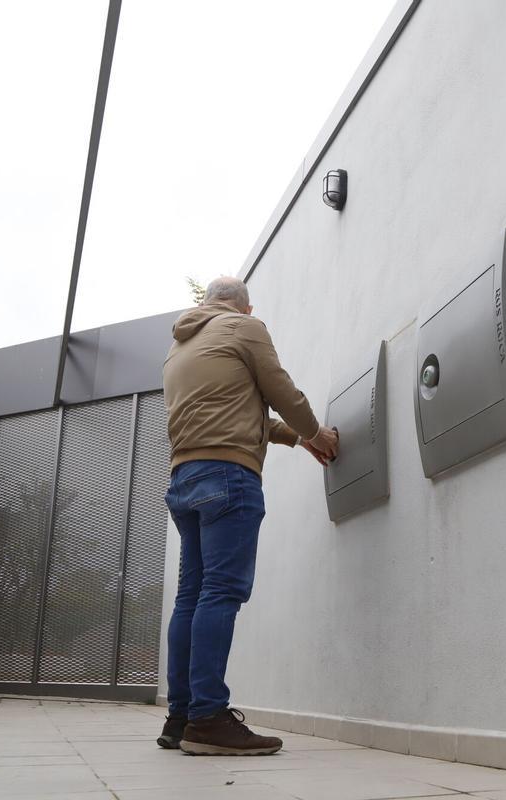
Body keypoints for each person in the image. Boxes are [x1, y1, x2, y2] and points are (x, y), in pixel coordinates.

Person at [157, 276, 338, 755]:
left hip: (184, 478)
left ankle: (182, 715)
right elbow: (279, 390)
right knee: (221, 592)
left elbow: (238, 409)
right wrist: (315, 432)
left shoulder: (180, 346)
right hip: (228, 476)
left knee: (191, 596)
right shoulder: (244, 327)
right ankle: (209, 718)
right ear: (245, 306)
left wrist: (295, 439)